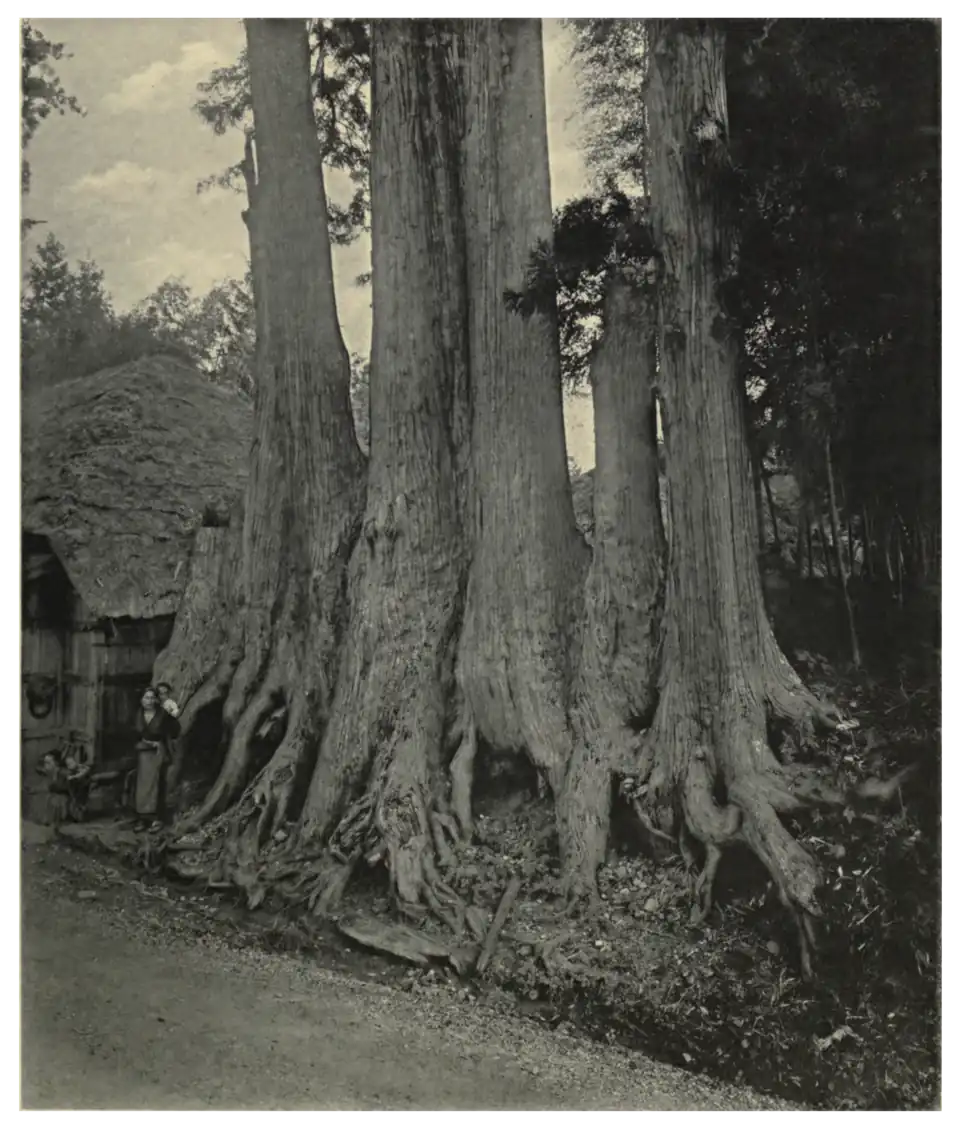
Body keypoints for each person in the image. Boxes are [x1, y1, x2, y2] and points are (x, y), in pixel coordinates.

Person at [132, 686, 180, 833]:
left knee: (157, 785)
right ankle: (142, 819)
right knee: (141, 787)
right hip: (142, 754)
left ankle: (156, 819)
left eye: (152, 698)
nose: (149, 701)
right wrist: (142, 742)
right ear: (141, 700)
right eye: (146, 698)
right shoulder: (138, 715)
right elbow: (132, 734)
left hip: (157, 754)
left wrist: (161, 741)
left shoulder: (162, 715)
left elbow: (176, 729)